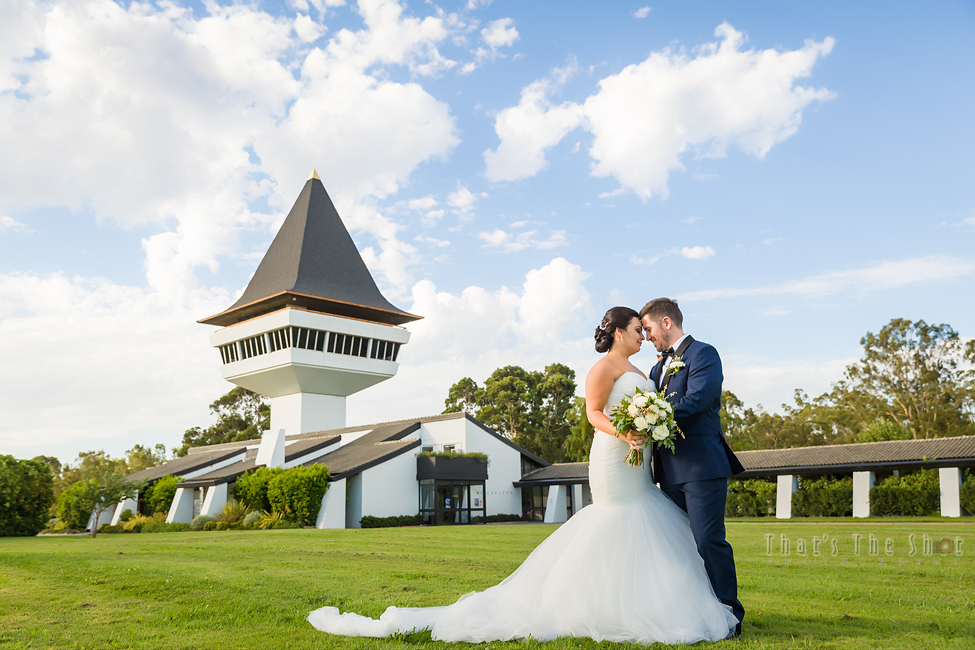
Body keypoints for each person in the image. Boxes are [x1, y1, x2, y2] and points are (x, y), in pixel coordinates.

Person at [307, 306, 738, 644]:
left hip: (641, 461)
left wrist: (644, 427)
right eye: (637, 330)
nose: (643, 336)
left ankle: (655, 602)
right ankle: (594, 605)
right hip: (614, 454)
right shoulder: (602, 369)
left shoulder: (648, 371)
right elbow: (593, 413)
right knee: (616, 522)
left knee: (653, 526)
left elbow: (667, 405)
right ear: (620, 330)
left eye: (647, 331)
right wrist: (623, 431)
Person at [640, 298, 746, 637]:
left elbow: (698, 400)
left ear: (667, 322)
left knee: (708, 542)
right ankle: (693, 614)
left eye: (649, 329)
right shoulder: (657, 369)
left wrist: (650, 416)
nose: (647, 336)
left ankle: (730, 616)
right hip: (668, 471)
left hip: (702, 467)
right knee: (678, 545)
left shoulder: (704, 354)